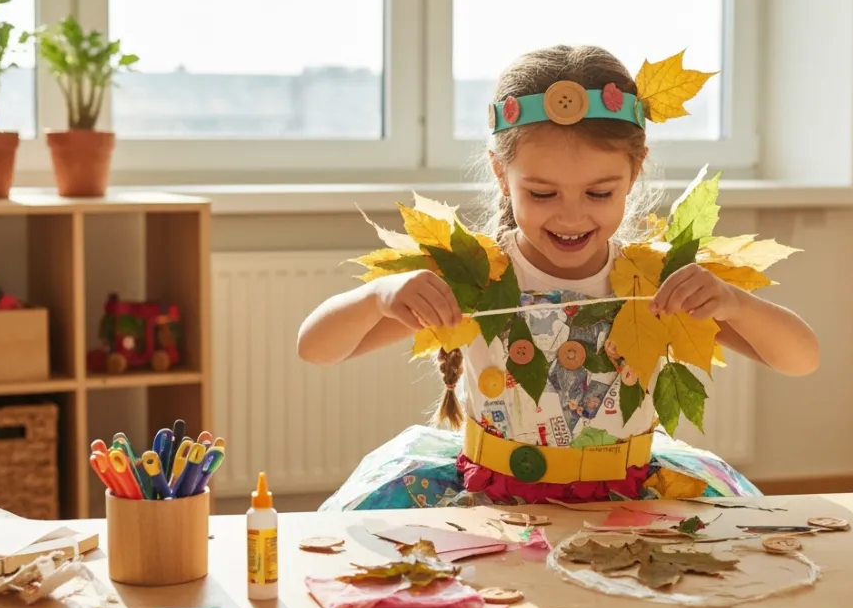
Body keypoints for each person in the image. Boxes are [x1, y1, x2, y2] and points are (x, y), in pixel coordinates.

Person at [298, 45, 819, 511]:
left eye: (599, 194)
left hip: (626, 504)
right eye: (543, 194)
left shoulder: (657, 282)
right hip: (492, 504)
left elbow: (801, 359)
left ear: (634, 173)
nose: (571, 217)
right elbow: (316, 349)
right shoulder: (474, 279)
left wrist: (735, 304)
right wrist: (378, 296)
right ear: (502, 175)